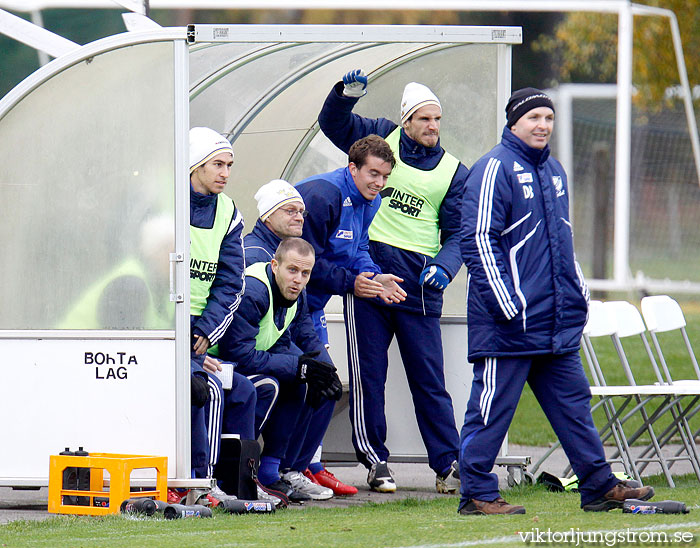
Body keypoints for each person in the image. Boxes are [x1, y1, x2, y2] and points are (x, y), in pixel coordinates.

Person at [458, 88, 655, 514]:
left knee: (574, 406)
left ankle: (600, 486)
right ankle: (476, 493)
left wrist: (578, 295)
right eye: (534, 118)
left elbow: (563, 241)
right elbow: (477, 241)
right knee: (491, 411)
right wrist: (508, 305)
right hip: (509, 324)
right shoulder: (493, 168)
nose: (543, 125)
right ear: (514, 122)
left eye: (548, 117)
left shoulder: (556, 171)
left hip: (556, 321)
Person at [315, 70, 464, 493]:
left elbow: (457, 234)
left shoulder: (454, 171)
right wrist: (344, 96)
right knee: (369, 375)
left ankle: (448, 464)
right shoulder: (382, 137)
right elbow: (335, 126)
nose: (432, 127)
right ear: (406, 121)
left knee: (430, 380)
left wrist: (445, 265)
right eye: (424, 119)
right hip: (371, 278)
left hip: (420, 286)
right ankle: (375, 460)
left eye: (437, 119)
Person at [243, 179, 358, 497]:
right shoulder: (255, 253)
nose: (299, 217)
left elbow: (301, 319)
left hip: (273, 345)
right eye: (289, 210)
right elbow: (268, 325)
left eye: (302, 212)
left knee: (325, 380)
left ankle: (290, 467)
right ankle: (277, 469)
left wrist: (319, 362)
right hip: (249, 352)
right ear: (268, 215)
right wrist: (302, 364)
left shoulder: (292, 252)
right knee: (304, 379)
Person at [216, 237, 344, 502]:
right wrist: (299, 366)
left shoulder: (298, 292)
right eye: (292, 270)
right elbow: (238, 353)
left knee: (315, 384)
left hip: (249, 358)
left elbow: (302, 333)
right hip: (219, 364)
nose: (298, 279)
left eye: (305, 273)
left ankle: (283, 471)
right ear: (275, 265)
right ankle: (238, 473)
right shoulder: (254, 290)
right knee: (269, 385)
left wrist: (325, 369)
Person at [187, 127, 255, 502]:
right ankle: (201, 482)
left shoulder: (229, 211)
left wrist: (207, 332)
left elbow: (231, 283)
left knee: (243, 389)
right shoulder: (169, 202)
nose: (225, 173)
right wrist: (184, 340)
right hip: (165, 331)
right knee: (208, 389)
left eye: (229, 165)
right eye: (218, 164)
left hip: (201, 335)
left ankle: (240, 482)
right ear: (195, 163)